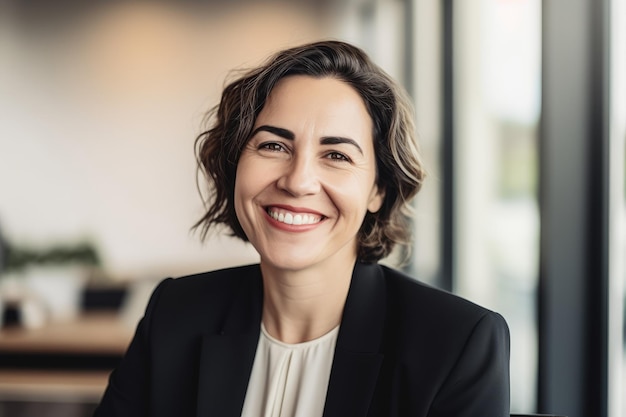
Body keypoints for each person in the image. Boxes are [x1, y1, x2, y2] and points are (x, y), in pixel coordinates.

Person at [94, 40, 510, 417]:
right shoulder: (175, 314)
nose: (297, 181)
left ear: (378, 190)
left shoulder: (456, 345)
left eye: (336, 155)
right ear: (236, 164)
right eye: (274, 146)